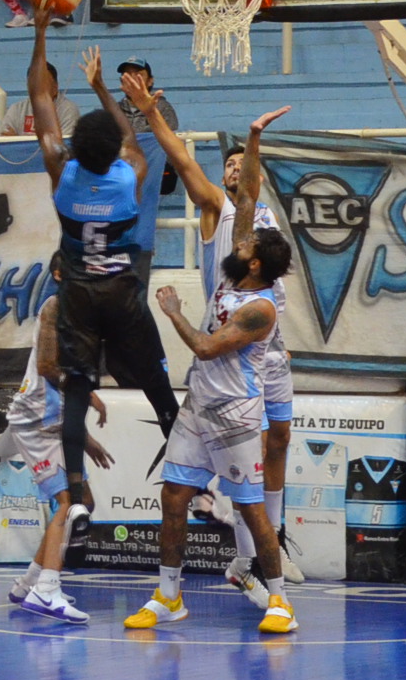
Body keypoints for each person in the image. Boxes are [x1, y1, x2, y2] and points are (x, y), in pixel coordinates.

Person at [123, 80, 302, 599]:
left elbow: (250, 196)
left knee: (279, 443)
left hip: (256, 351)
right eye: (231, 162)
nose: (236, 170)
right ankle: (206, 577)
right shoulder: (220, 213)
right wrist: (153, 115)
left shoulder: (262, 249)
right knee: (185, 490)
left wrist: (176, 315)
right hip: (222, 360)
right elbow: (184, 163)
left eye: (244, 163)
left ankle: (263, 556)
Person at [26, 5, 180, 532]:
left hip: (79, 297)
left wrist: (43, 32)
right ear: (112, 150)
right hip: (122, 289)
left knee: (74, 395)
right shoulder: (129, 174)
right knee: (159, 387)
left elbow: (40, 99)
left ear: (74, 148)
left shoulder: (59, 170)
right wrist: (101, 91)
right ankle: (192, 479)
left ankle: (78, 497)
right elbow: (134, 141)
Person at [131, 232, 301, 635]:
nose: (239, 243)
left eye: (247, 245)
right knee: (173, 496)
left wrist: (173, 312)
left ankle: (280, 601)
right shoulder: (230, 282)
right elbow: (243, 206)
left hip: (235, 415)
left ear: (256, 263)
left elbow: (207, 348)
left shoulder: (261, 308)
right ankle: (168, 596)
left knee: (250, 508)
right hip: (197, 408)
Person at [3, 256, 113, 624]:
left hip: (53, 421)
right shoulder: (56, 306)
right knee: (68, 503)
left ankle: (28, 583)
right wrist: (87, 394)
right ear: (59, 274)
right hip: (35, 420)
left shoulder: (84, 311)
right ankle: (46, 591)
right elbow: (49, 369)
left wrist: (83, 438)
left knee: (84, 502)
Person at [112, 58, 180, 140]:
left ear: (150, 81)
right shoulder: (114, 110)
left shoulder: (162, 107)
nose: (132, 79)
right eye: (128, 75)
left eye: (139, 75)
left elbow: (168, 140)